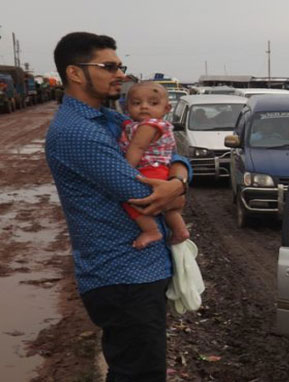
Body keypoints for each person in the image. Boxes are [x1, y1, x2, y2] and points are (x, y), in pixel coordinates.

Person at [45, 32, 191, 381]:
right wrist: (177, 190)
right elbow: (143, 195)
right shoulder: (76, 132)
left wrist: (179, 178)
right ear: (76, 73)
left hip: (138, 270)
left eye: (120, 65)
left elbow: (170, 150)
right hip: (121, 273)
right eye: (108, 66)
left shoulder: (108, 119)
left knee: (144, 368)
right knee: (137, 373)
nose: (120, 74)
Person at [119, 82, 190, 249]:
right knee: (169, 206)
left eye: (153, 103)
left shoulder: (148, 125)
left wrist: (126, 170)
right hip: (161, 170)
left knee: (132, 201)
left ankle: (151, 230)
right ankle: (180, 230)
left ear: (167, 108)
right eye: (137, 103)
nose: (144, 107)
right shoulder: (141, 124)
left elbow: (138, 147)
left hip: (149, 170)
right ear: (127, 107)